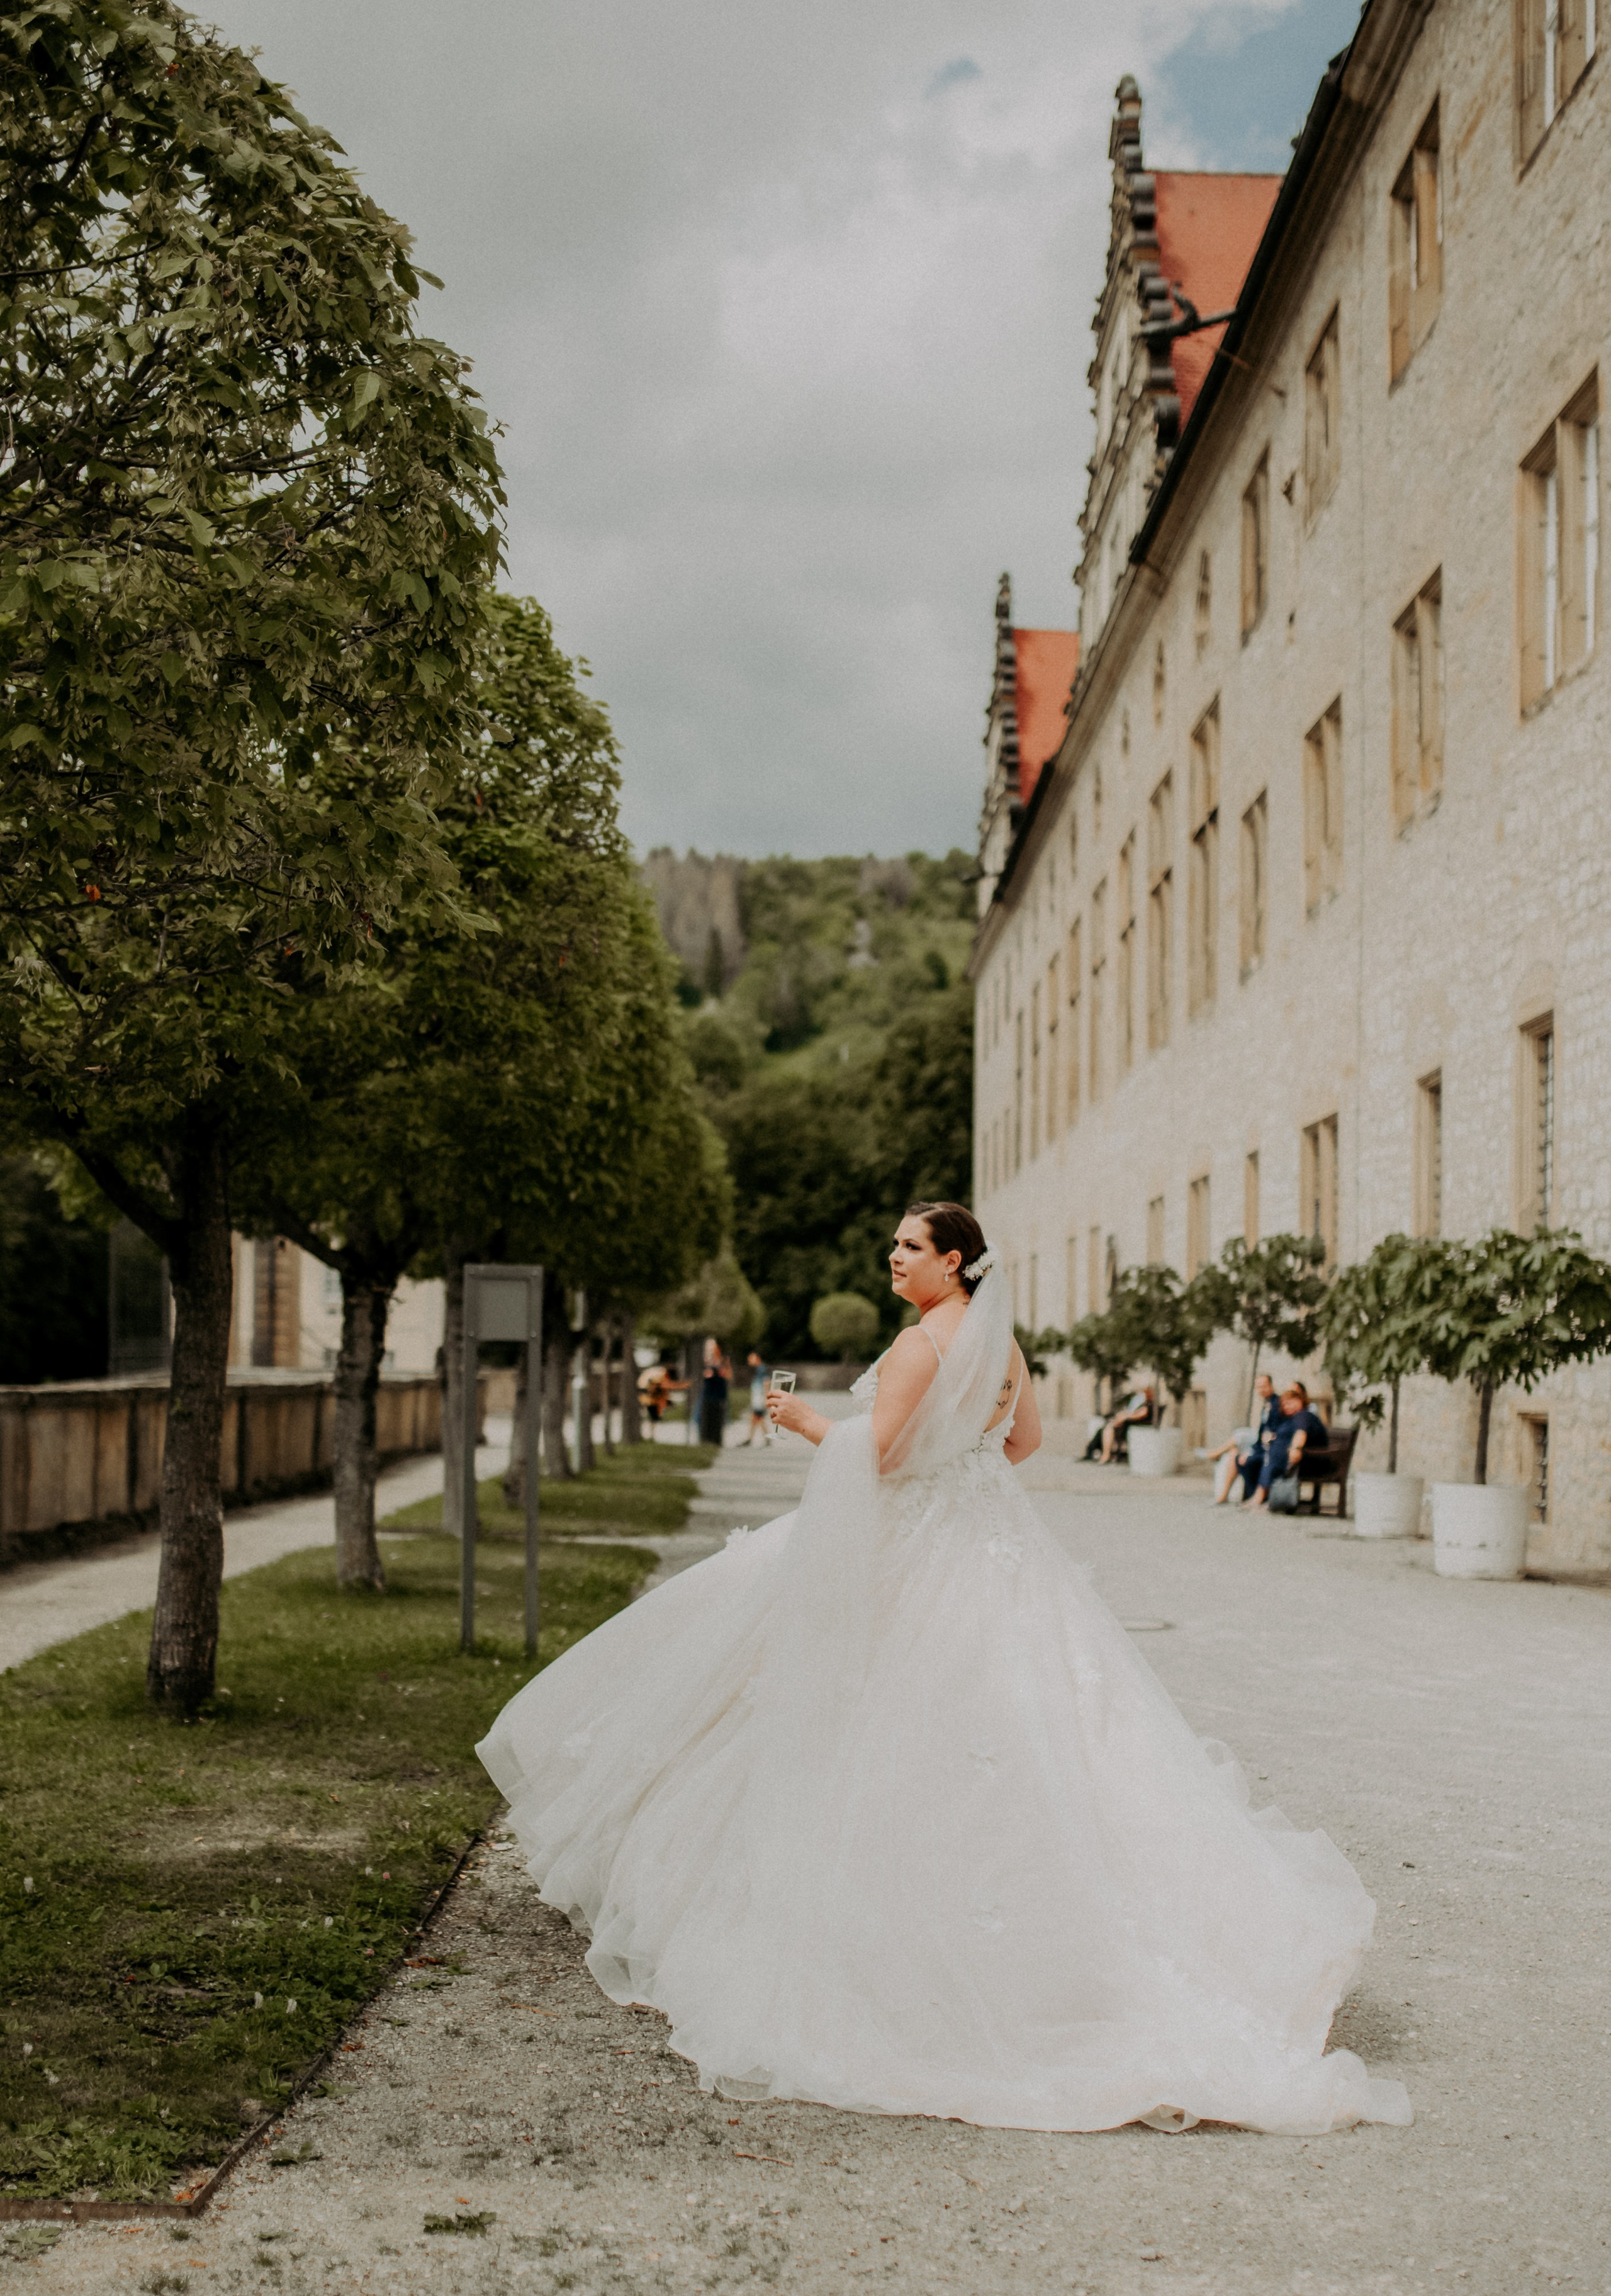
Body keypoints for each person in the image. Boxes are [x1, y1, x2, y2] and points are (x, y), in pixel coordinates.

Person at [477, 1201, 1409, 2138]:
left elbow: (877, 1458)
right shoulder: (1004, 1349)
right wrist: (958, 1461)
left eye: (909, 1246)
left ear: (952, 1262)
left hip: (917, 1540)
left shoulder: (924, 1344)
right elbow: (1024, 1445)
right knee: (1048, 1727)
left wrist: (806, 1420)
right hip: (993, 1540)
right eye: (895, 1244)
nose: (893, 1256)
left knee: (864, 1713)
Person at [1243, 1382, 1328, 1511]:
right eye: (1284, 1405)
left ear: (1300, 1400)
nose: (1287, 1407)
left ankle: (1261, 1497)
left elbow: (1301, 1433)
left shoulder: (1303, 1415)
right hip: (1299, 1459)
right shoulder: (1292, 1419)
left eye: (1290, 1402)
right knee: (1265, 1458)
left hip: (1313, 1461)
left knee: (1273, 1457)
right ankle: (1262, 1497)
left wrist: (1296, 1449)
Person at [1203, 1372, 1279, 1504]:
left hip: (1269, 1446)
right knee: (1234, 1453)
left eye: (1264, 1386)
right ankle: (1224, 1494)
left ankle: (1217, 1453)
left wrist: (1253, 1451)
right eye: (1259, 1387)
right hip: (1261, 1443)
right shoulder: (1266, 1405)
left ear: (1271, 1386)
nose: (1262, 1389)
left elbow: (1271, 1432)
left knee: (1241, 1438)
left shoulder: (1276, 1404)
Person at [697, 1338, 731, 1448]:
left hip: (719, 1396)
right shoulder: (705, 1363)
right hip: (708, 1395)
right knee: (705, 1421)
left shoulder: (723, 1362)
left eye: (712, 1347)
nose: (710, 1350)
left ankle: (717, 1443)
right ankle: (705, 1442)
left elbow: (729, 1376)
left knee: (717, 1422)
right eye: (708, 1348)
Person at [743, 1350, 773, 1447]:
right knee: (756, 1418)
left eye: (751, 1359)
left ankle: (752, 1439)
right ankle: (751, 1438)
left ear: (757, 1359)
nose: (750, 1361)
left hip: (760, 1399)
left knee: (758, 1417)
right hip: (758, 1398)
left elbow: (766, 1382)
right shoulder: (758, 1369)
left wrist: (766, 1398)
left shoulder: (762, 1369)